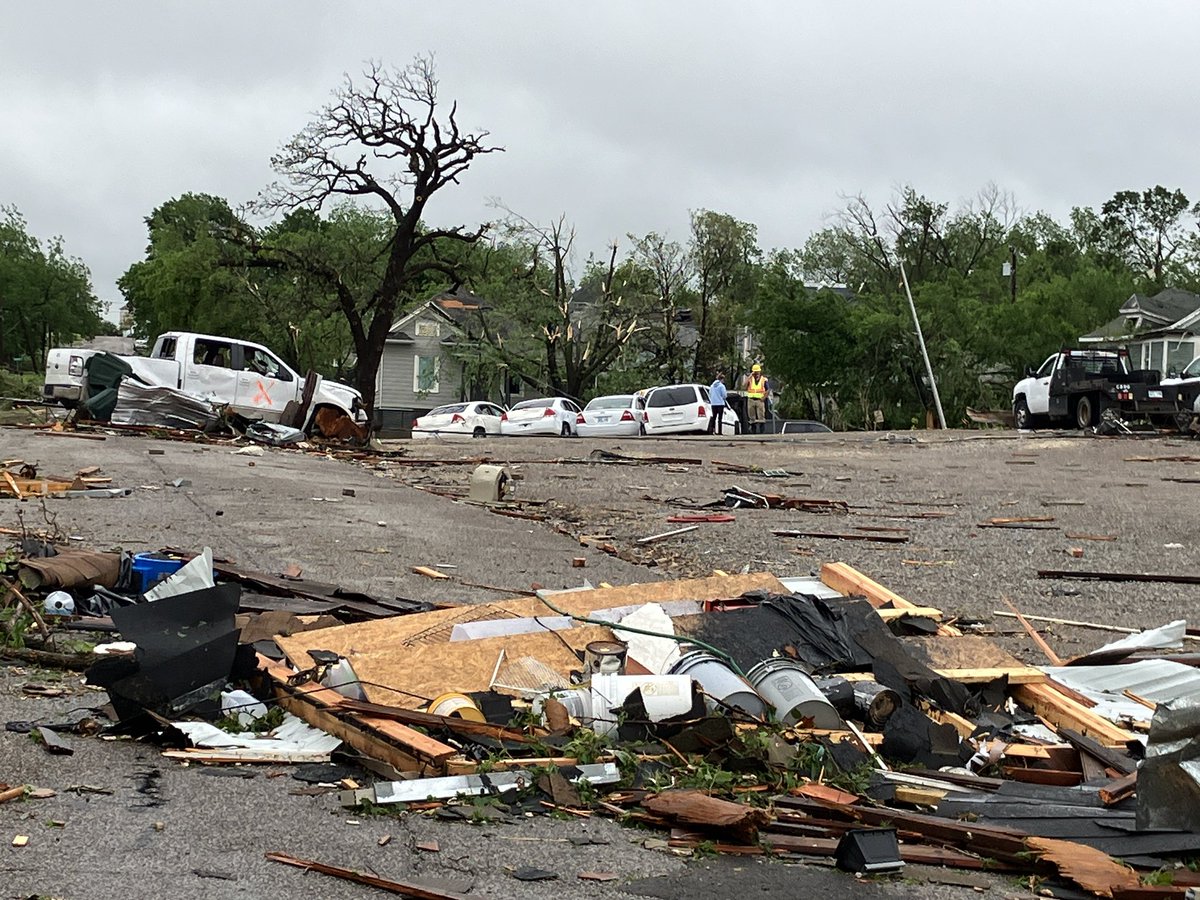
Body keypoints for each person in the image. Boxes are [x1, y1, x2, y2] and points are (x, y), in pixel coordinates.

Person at [743, 363, 769, 434]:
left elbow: (767, 390)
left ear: (759, 372)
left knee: (761, 417)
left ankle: (761, 432)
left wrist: (763, 398)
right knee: (752, 417)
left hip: (759, 400)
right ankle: (753, 432)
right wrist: (749, 377)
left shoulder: (764, 380)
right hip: (751, 400)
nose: (756, 373)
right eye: (755, 372)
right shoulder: (750, 379)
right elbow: (744, 386)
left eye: (757, 372)